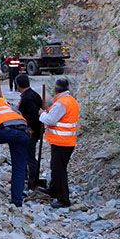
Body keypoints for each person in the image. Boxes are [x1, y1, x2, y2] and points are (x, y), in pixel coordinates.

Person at [37, 77, 79, 209]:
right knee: (56, 167)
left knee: (59, 170)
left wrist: (42, 114)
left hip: (62, 142)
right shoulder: (71, 100)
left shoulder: (61, 103)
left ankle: (63, 199)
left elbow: (50, 120)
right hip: (66, 141)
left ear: (55, 89)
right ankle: (53, 190)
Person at [15, 73, 43, 189]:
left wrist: (31, 128)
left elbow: (33, 114)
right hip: (32, 130)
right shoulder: (33, 95)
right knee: (27, 155)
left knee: (29, 156)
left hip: (31, 132)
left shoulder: (28, 98)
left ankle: (32, 181)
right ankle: (28, 178)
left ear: (18, 85)